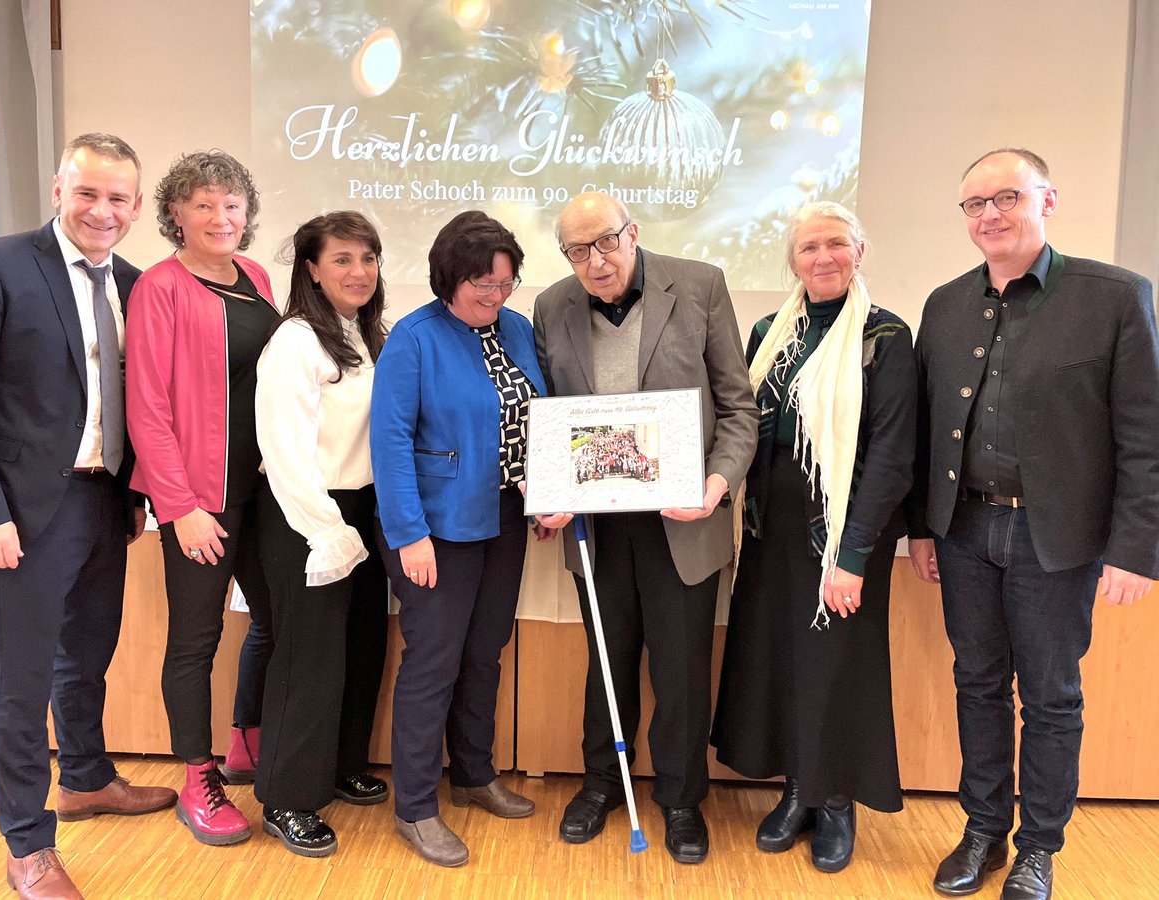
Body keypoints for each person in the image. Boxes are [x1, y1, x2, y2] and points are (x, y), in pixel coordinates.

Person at [909, 148, 1159, 900]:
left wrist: (1137, 548)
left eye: (1006, 197)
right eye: (975, 204)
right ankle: (982, 830)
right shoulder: (944, 304)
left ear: (1047, 200)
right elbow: (926, 430)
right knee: (977, 683)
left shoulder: (1115, 296)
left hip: (1057, 541)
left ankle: (1038, 849)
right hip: (963, 532)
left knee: (1051, 697)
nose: (989, 214)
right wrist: (921, 527)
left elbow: (1144, 433)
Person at [0, 133, 177, 899]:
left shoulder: (137, 281)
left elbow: (143, 400)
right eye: (88, 192)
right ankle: (26, 846)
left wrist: (141, 495)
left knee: (86, 655)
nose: (102, 210)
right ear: (59, 189)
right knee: (18, 681)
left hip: (103, 503)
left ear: (137, 207)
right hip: (20, 512)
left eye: (119, 198)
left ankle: (84, 778)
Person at [532, 191, 759, 864]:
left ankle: (683, 800)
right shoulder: (551, 306)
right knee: (607, 660)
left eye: (604, 242)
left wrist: (715, 489)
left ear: (633, 232)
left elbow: (739, 409)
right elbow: (551, 415)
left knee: (683, 668)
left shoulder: (699, 286)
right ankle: (602, 783)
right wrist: (549, 486)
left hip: (682, 522)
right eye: (577, 250)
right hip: (596, 528)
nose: (594, 261)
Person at [710, 201, 915, 873]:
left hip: (844, 541)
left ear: (860, 252)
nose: (822, 257)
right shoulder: (771, 331)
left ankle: (835, 803)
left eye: (836, 244)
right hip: (772, 537)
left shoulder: (884, 337)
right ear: (792, 261)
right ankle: (797, 788)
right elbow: (742, 422)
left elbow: (889, 457)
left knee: (834, 669)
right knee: (783, 664)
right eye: (808, 248)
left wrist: (852, 555)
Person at [371, 211, 547, 867]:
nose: (495, 297)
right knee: (433, 664)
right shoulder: (413, 338)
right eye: (482, 283)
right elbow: (389, 444)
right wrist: (409, 534)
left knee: (485, 653)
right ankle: (416, 808)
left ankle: (474, 776)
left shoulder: (518, 330)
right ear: (449, 275)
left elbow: (540, 417)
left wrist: (548, 489)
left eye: (504, 283)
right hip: (434, 528)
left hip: (502, 519)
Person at [125, 150, 280, 846]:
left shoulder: (257, 276)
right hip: (200, 498)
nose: (221, 217)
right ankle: (198, 777)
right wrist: (179, 506)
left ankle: (247, 739)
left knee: (277, 619)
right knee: (196, 640)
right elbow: (147, 407)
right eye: (203, 205)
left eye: (232, 205)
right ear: (175, 215)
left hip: (263, 489)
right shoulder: (159, 287)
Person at [252, 211, 392, 856]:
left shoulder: (367, 334)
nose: (358, 271)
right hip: (305, 513)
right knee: (309, 657)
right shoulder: (296, 342)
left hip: (363, 508)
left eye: (367, 258)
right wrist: (326, 531)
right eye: (342, 259)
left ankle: (339, 764)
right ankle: (286, 798)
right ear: (311, 268)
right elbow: (284, 454)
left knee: (361, 645)